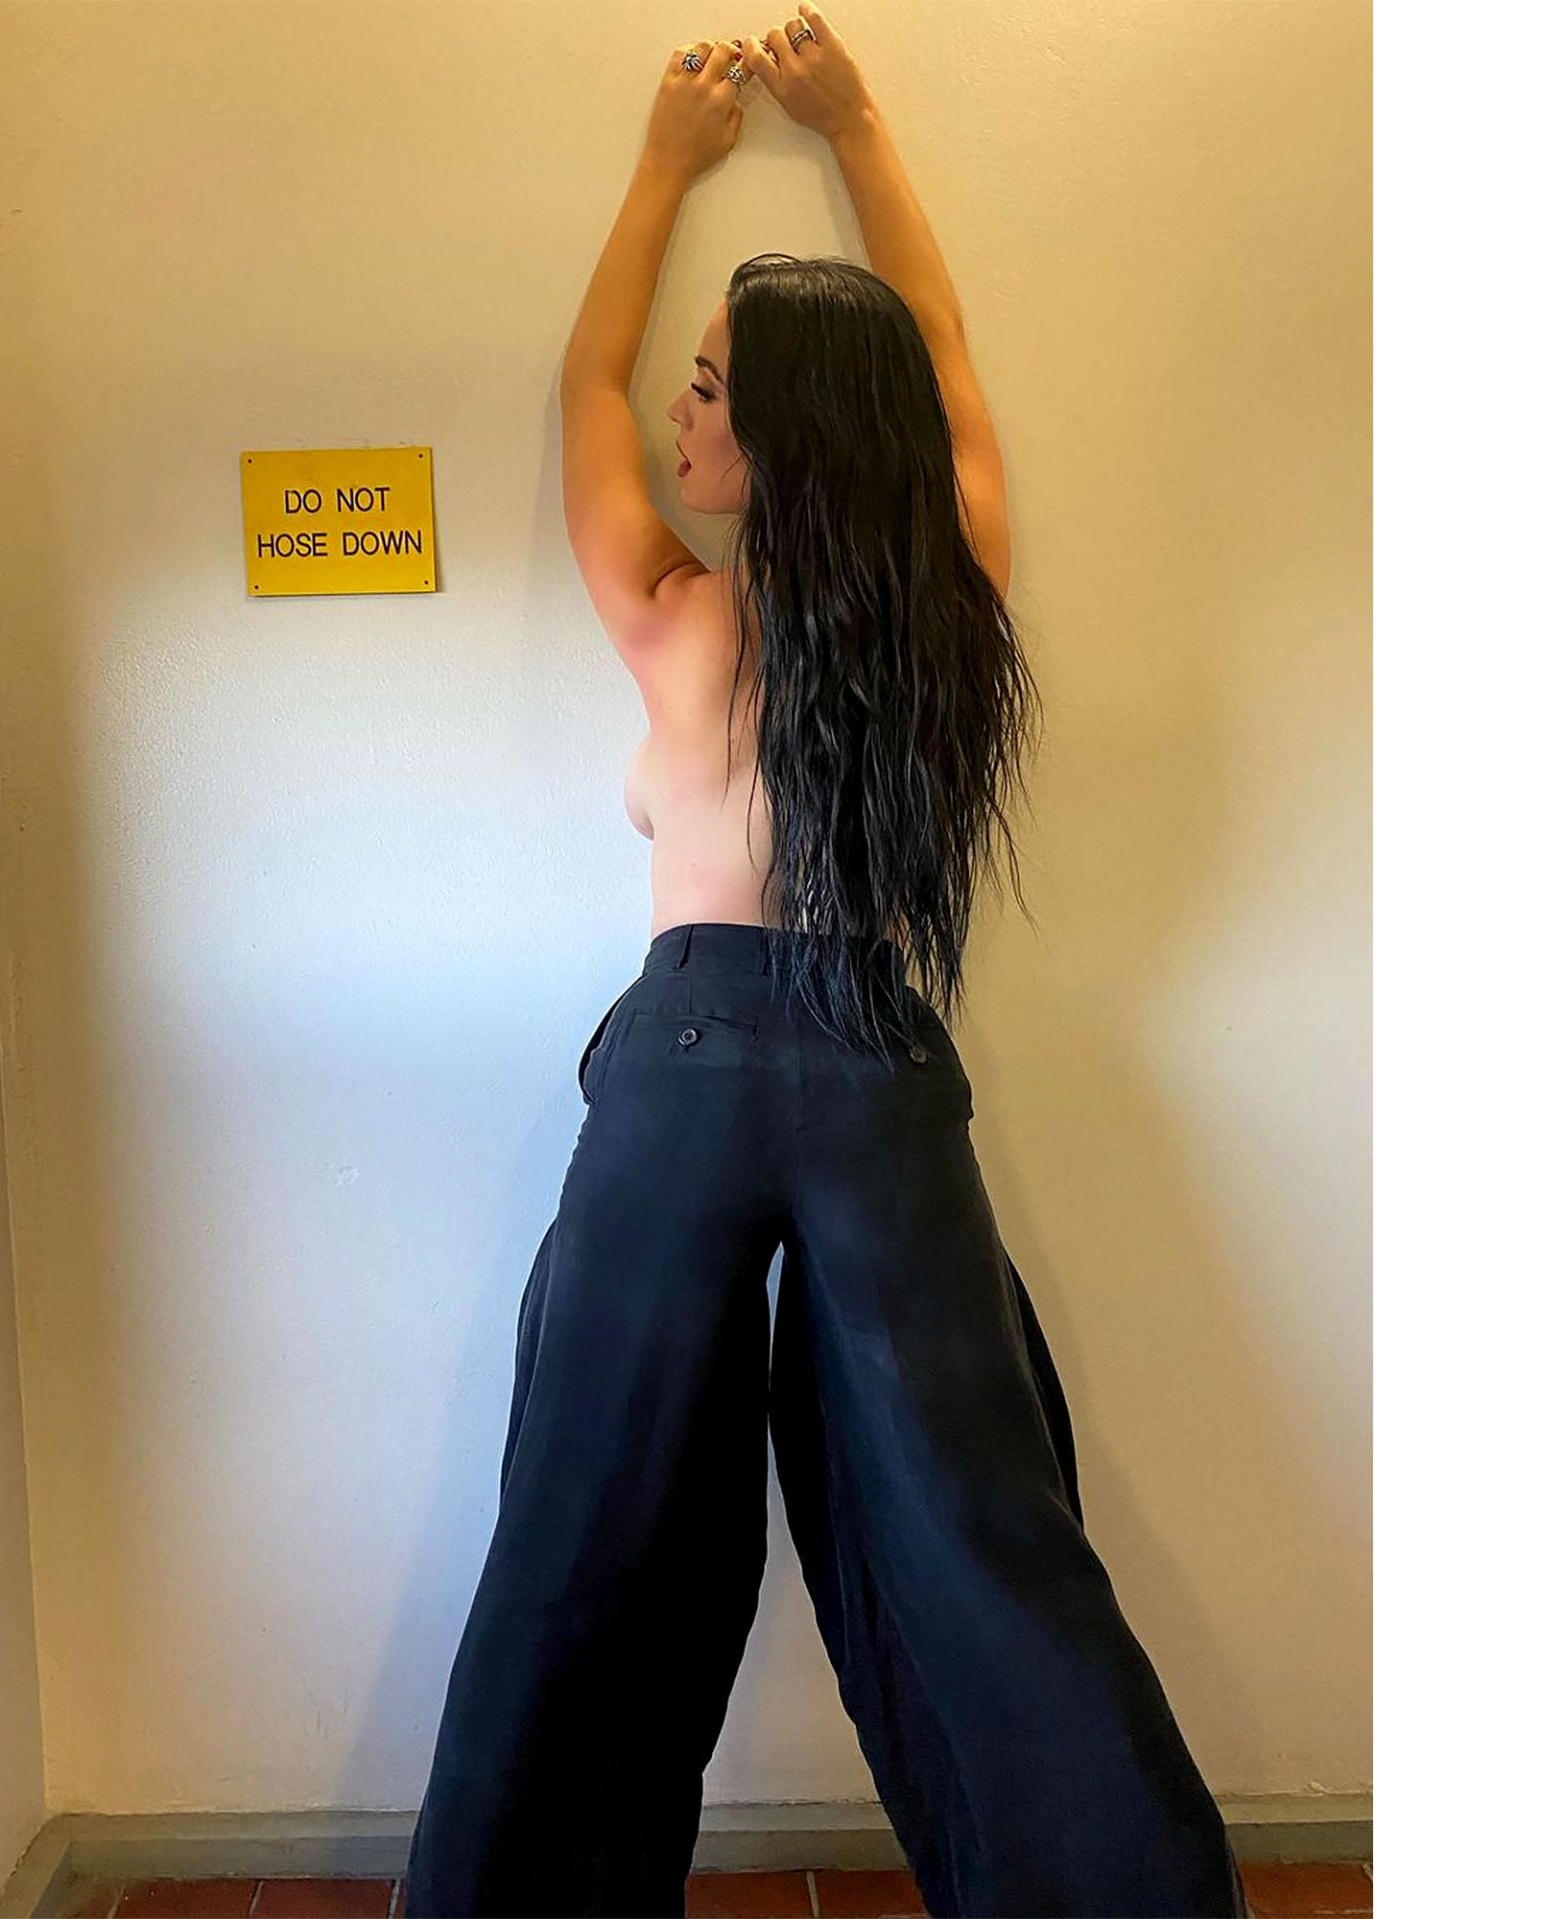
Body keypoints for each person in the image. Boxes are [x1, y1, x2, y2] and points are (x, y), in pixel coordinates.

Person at [405, 10, 1251, 1915]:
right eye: (692, 384)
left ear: (783, 435)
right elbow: (938, 361)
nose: (680, 412)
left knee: (587, 1524)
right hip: (878, 1070)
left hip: (686, 1070)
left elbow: (579, 384)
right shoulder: (954, 602)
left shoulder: (676, 621)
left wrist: (662, 167)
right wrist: (858, 133)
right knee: (981, 1536)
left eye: (714, 390)